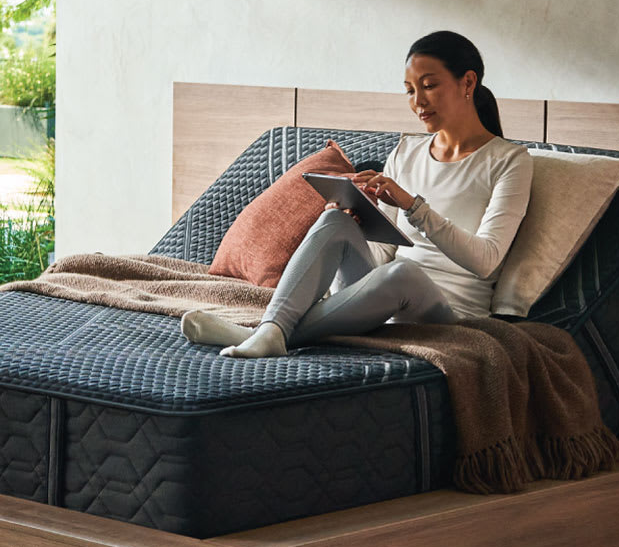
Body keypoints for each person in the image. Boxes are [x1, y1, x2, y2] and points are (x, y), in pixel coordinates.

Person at [181, 30, 534, 358]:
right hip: (384, 299)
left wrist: (413, 206)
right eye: (410, 90)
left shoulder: (509, 161)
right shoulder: (406, 152)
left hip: (447, 314)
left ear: (467, 82)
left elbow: (487, 260)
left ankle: (258, 333)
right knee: (334, 219)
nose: (418, 101)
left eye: (429, 85)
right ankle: (272, 328)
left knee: (404, 274)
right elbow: (383, 258)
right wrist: (359, 220)